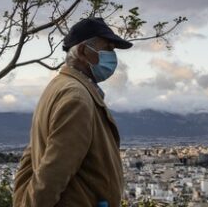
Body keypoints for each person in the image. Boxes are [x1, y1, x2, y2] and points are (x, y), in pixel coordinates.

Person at [13, 17, 132, 207]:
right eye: (107, 48)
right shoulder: (77, 98)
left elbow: (31, 158)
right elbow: (51, 175)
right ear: (84, 51)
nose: (112, 56)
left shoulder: (58, 87)